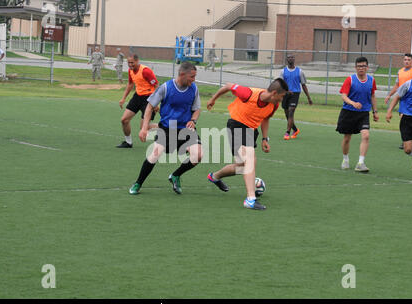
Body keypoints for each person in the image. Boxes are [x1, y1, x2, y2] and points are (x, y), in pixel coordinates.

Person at [206, 78, 288, 210]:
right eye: (282, 96)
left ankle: (214, 176)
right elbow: (228, 85)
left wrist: (265, 139)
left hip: (251, 131)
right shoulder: (248, 93)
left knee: (245, 166)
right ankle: (250, 199)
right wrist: (213, 99)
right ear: (274, 93)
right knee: (249, 160)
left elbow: (265, 118)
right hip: (236, 125)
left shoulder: (274, 105)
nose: (282, 100)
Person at [129, 62, 203, 194]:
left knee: (198, 155)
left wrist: (193, 120)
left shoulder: (194, 89)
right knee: (154, 155)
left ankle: (176, 175)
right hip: (167, 129)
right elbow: (150, 106)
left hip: (186, 130)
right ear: (182, 74)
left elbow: (197, 109)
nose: (194, 79)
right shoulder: (166, 87)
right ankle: (138, 183)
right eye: (192, 76)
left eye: (195, 76)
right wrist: (144, 128)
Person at [337, 57, 379, 173]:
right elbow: (344, 96)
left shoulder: (371, 80)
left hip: (364, 113)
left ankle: (361, 163)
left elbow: (372, 96)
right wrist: (353, 103)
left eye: (363, 66)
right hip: (349, 112)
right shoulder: (350, 80)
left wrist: (375, 111)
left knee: (366, 135)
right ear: (355, 68)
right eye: (359, 66)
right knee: (347, 138)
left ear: (367, 67)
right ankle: (345, 159)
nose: (361, 68)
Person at [386, 60, 412, 183]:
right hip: (407, 119)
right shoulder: (408, 84)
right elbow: (397, 97)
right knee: (407, 150)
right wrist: (389, 111)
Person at [117, 54, 159, 148]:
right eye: (128, 63)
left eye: (132, 62)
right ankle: (128, 143)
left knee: (144, 128)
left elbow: (156, 86)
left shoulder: (146, 71)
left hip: (149, 99)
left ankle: (164, 128)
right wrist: (123, 98)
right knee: (124, 120)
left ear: (137, 61)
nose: (130, 65)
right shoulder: (130, 71)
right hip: (137, 97)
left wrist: (155, 102)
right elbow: (130, 84)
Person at [384, 53, 412, 150]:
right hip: (402, 99)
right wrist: (389, 95)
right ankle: (407, 140)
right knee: (404, 119)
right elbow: (397, 85)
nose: (406, 61)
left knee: (407, 118)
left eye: (408, 60)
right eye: (405, 59)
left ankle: (407, 140)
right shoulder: (400, 71)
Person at [279, 54, 313, 140]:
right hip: (286, 95)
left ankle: (287, 133)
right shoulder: (283, 71)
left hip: (295, 94)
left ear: (294, 59)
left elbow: (303, 85)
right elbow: (280, 84)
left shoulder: (300, 71)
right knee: (287, 114)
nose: (291, 59)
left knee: (291, 111)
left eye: (292, 57)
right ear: (287, 59)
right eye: (289, 57)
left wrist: (308, 97)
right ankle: (295, 129)